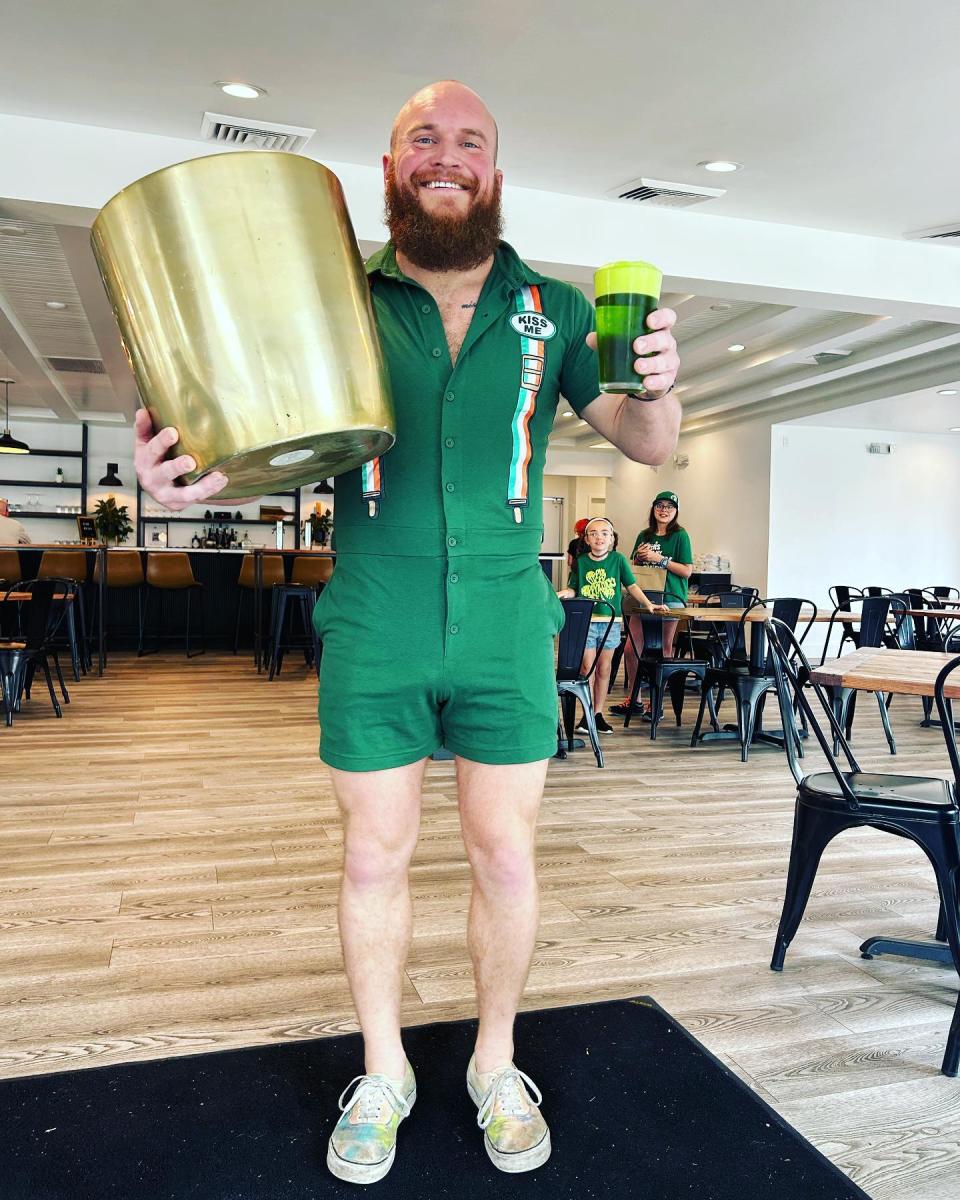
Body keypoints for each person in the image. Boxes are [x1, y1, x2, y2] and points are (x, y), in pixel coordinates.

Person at [133, 80, 681, 1183]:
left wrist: (663, 387)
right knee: (374, 856)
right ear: (390, 171)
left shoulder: (558, 310)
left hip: (507, 622)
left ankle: (492, 1061)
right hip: (376, 613)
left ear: (495, 173)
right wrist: (190, 482)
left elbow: (643, 440)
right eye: (421, 139)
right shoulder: (333, 292)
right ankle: (384, 1069)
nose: (446, 156)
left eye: (468, 141)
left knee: (504, 856)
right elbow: (250, 426)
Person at [557, 516, 667, 733]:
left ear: (612, 539)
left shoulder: (618, 560)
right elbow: (573, 588)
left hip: (611, 623)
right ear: (587, 539)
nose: (599, 537)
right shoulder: (581, 561)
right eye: (594, 533)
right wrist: (561, 593)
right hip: (587, 622)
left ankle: (597, 714)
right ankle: (586, 714)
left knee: (604, 669)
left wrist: (649, 604)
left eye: (605, 533)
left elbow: (632, 586)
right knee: (586, 668)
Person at [612, 491, 692, 717]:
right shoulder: (644, 534)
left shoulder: (680, 536)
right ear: (653, 508)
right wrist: (639, 558)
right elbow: (632, 567)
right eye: (660, 505)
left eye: (669, 506)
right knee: (631, 647)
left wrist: (661, 560)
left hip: (670, 597)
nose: (664, 510)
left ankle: (657, 704)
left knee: (665, 649)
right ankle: (634, 699)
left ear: (675, 511)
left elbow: (687, 571)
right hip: (644, 598)